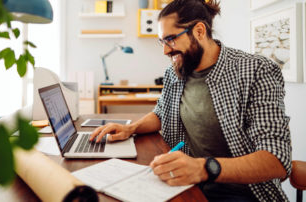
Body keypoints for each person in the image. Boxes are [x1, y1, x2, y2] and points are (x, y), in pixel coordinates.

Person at [90, 0, 292, 201]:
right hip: (188, 184)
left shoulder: (256, 70)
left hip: (243, 193)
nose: (165, 51)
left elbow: (276, 159)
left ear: (199, 31)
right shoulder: (175, 72)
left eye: (171, 39)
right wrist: (130, 129)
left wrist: (204, 168)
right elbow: (161, 113)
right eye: (162, 41)